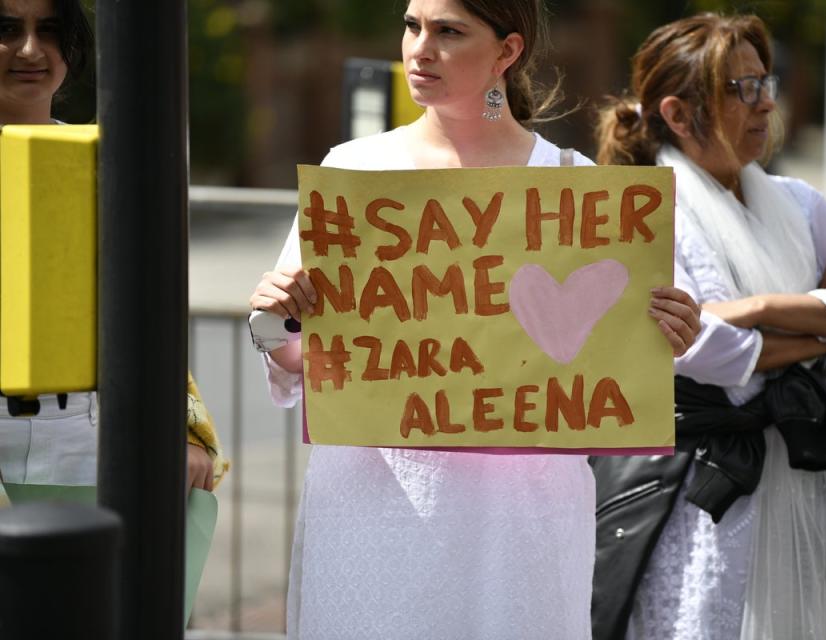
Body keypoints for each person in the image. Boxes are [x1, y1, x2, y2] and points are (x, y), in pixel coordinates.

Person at [248, 1, 701, 637]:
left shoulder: (577, 189)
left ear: (507, 52)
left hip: (519, 531)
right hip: (376, 517)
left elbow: (605, 376)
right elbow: (296, 358)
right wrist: (272, 321)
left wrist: (667, 336)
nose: (419, 48)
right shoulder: (352, 173)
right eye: (412, 26)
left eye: (448, 32)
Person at [592, 13, 826, 640]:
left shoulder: (799, 203)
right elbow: (699, 352)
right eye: (740, 89)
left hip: (802, 489)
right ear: (679, 115)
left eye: (765, 82)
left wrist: (764, 309)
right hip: (699, 500)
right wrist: (821, 313)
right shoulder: (645, 215)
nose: (766, 103)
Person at [0, 0, 226, 492]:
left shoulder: (107, 162)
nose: (31, 49)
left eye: (52, 30)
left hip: (91, 442)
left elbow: (142, 310)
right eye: (7, 29)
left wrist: (184, 430)